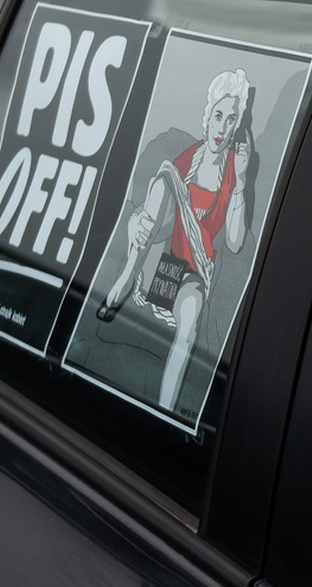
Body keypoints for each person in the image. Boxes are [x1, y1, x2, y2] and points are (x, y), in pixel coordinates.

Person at [96, 67, 253, 411]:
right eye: (218, 116)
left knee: (189, 326)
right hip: (161, 254)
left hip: (194, 272)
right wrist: (137, 219)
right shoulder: (190, 157)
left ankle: (165, 410)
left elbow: (237, 241)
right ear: (207, 117)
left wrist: (241, 182)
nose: (222, 127)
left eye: (231, 120)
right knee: (163, 178)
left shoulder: (231, 172)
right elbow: (159, 199)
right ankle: (125, 277)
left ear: (236, 125)